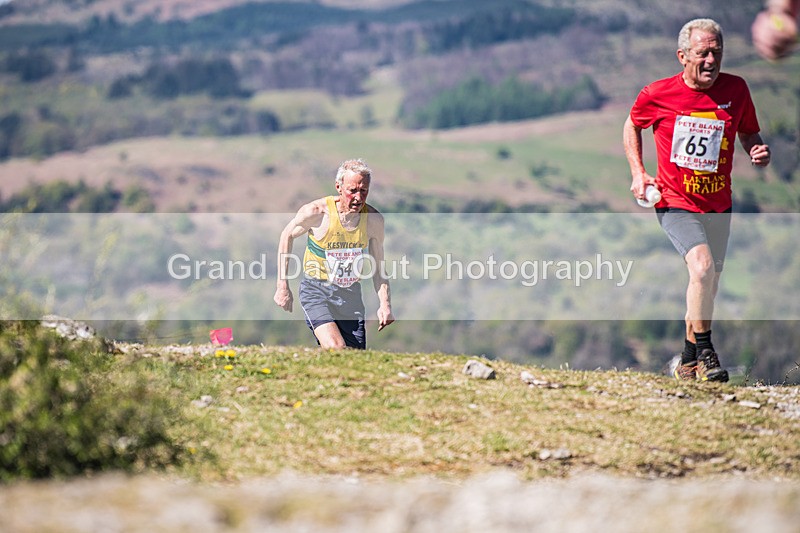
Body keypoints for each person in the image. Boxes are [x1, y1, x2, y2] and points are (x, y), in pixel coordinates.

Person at [623, 18, 771, 382]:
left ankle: (687, 362)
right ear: (683, 56)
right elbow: (632, 124)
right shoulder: (657, 93)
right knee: (702, 269)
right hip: (674, 201)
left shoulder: (736, 89)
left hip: (718, 204)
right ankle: (706, 353)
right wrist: (639, 173)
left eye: (716, 53)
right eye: (703, 53)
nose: (711, 61)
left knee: (708, 285)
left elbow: (749, 132)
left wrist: (756, 149)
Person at [274, 158, 394, 349]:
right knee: (336, 347)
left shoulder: (373, 221)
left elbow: (379, 268)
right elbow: (286, 235)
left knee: (354, 359)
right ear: (338, 187)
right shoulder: (316, 212)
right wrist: (282, 286)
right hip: (316, 290)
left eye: (364, 191)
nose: (358, 197)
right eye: (352, 190)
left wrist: (385, 304)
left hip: (350, 295)